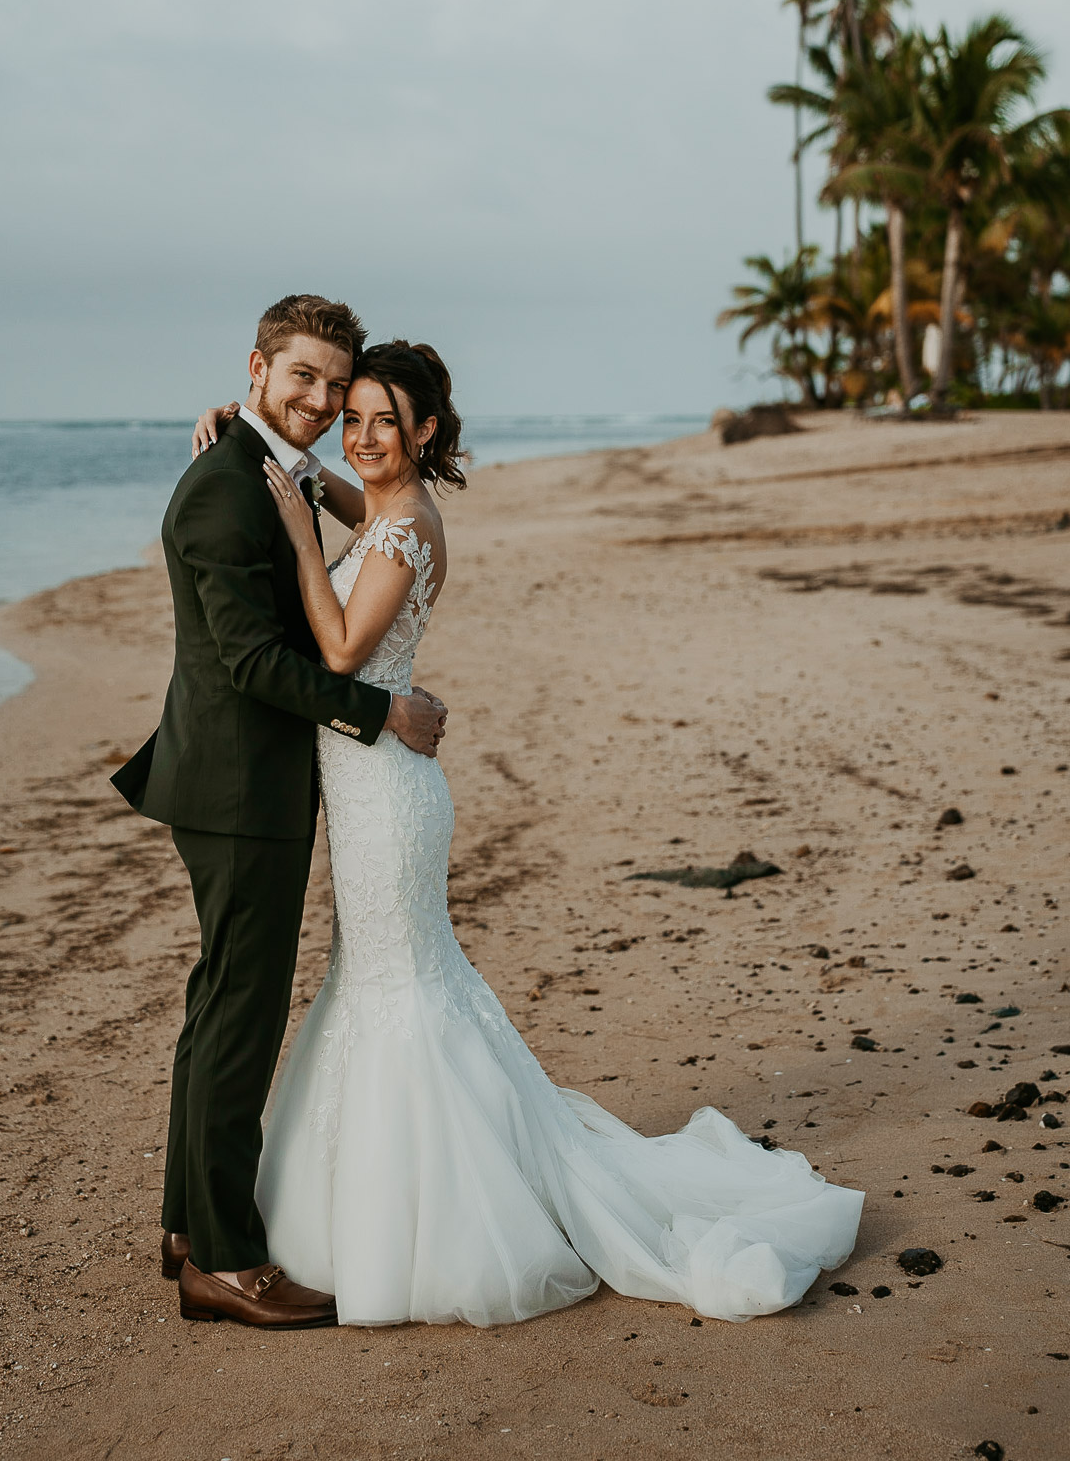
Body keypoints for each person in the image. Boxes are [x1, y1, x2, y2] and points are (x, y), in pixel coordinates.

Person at [190, 339, 864, 1327]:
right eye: (356, 415)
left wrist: (294, 527)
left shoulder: (409, 528)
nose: (366, 435)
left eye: (388, 419)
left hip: (387, 796)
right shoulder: (383, 505)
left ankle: (432, 1221)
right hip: (374, 783)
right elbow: (346, 494)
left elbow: (337, 647)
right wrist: (251, 436)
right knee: (384, 982)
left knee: (402, 991)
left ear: (427, 430)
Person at [111, 295, 447, 1330]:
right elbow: (255, 660)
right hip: (237, 787)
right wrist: (382, 709)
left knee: (222, 1003)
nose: (320, 400)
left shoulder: (267, 467)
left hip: (249, 780)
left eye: (334, 386)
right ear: (256, 367)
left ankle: (187, 1222)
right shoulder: (223, 491)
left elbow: (329, 510)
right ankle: (223, 1259)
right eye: (300, 377)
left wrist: (284, 453)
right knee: (241, 1017)